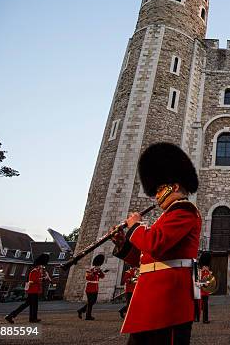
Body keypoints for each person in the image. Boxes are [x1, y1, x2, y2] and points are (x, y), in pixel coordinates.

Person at [111, 142, 202, 344]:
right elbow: (147, 260)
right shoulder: (167, 216)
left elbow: (156, 244)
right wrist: (123, 244)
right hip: (151, 300)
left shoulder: (184, 210)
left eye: (160, 189)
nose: (157, 195)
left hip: (167, 302)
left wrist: (135, 226)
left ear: (175, 186)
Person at [5, 253, 51, 323]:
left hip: (35, 290)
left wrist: (44, 277)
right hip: (32, 291)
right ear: (38, 265)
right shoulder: (34, 271)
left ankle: (31, 318)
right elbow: (35, 280)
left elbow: (38, 279)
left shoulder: (38, 271)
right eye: (41, 265)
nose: (42, 267)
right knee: (31, 305)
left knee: (32, 305)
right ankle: (12, 316)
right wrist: (44, 278)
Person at [77, 254, 106, 320]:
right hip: (89, 288)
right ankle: (88, 316)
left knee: (93, 302)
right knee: (90, 302)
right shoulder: (90, 270)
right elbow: (88, 278)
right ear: (95, 264)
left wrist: (100, 271)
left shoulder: (99, 270)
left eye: (99, 265)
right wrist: (94, 273)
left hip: (95, 288)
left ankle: (81, 310)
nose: (99, 266)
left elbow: (102, 276)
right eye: (98, 265)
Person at [196, 251, 212, 323]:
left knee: (200, 304)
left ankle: (197, 318)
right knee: (204, 306)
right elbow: (202, 281)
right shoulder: (204, 269)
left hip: (202, 290)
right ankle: (204, 319)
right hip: (203, 290)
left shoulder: (202, 267)